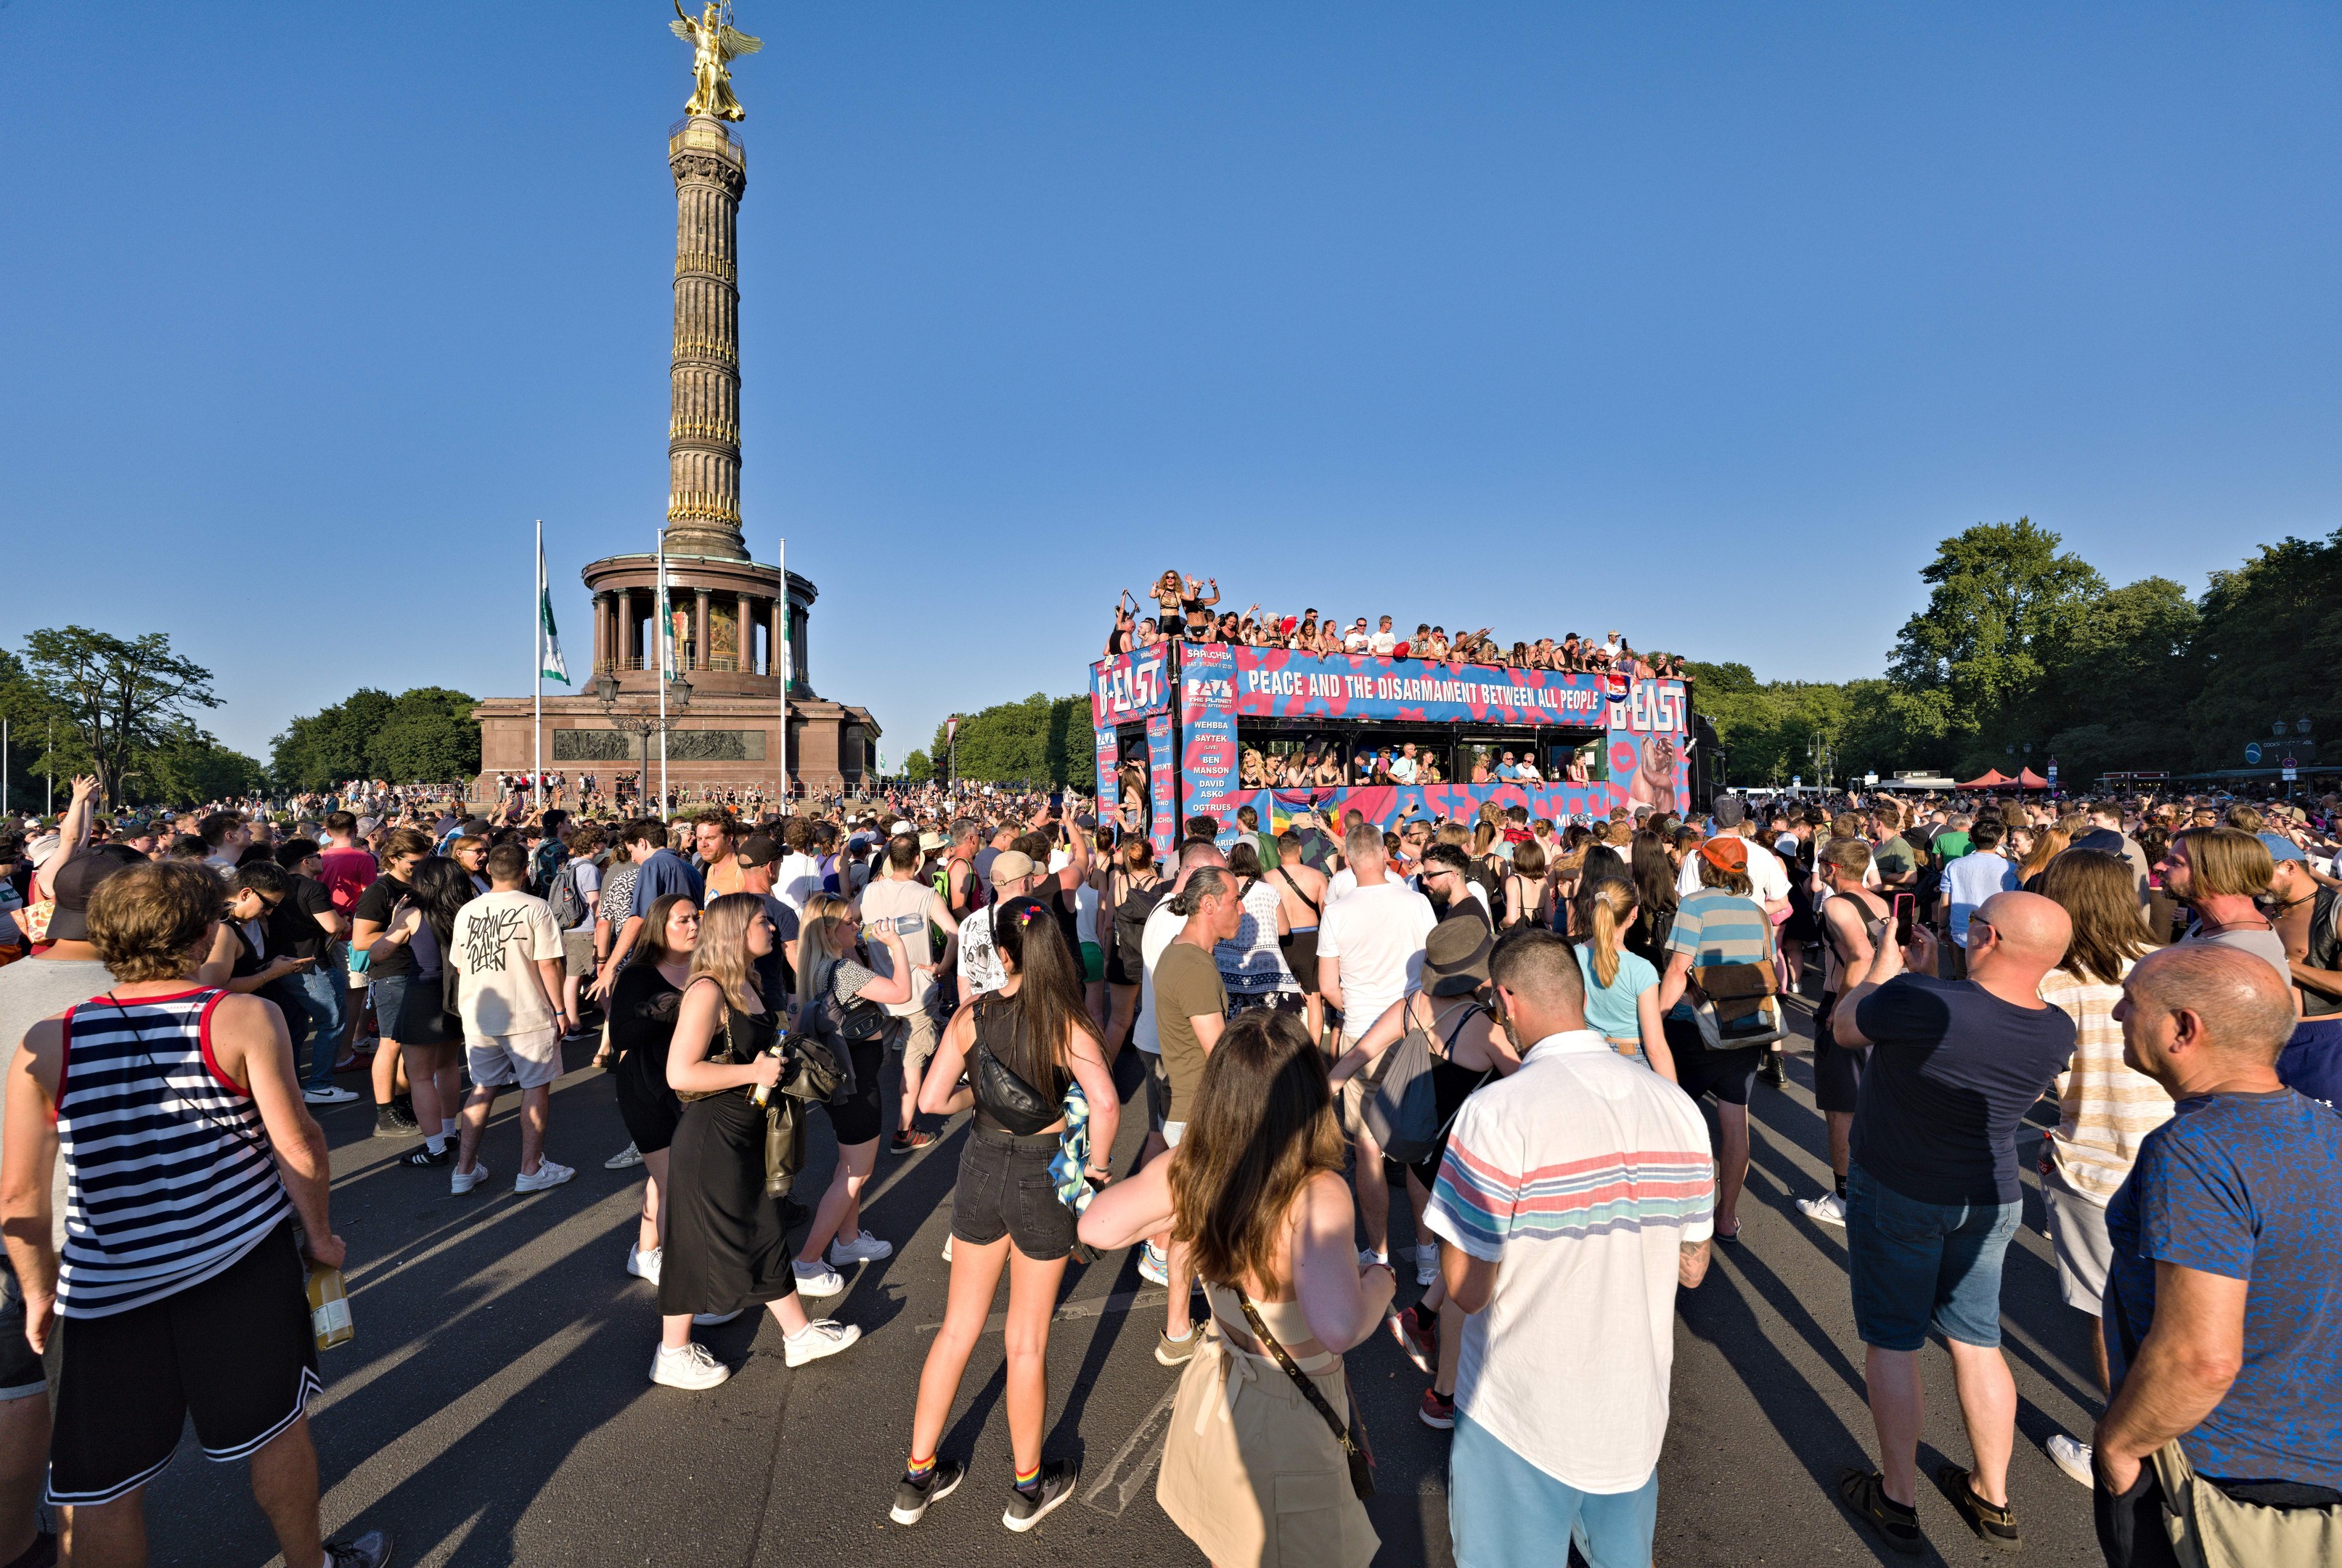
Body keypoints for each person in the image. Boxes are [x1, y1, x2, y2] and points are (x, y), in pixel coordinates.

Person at [0, 861, 390, 1568]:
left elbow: (20, 1198)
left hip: (108, 1286)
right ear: (201, 931)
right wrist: (321, 1235)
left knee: (102, 1486)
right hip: (236, 1266)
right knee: (276, 1432)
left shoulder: (50, 1041)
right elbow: (297, 1143)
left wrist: (37, 1289)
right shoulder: (239, 1018)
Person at [1421, 927, 1715, 1568]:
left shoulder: (1497, 1114)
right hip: (1633, 1414)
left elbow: (1469, 1290)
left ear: (1507, 999)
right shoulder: (1678, 1109)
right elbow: (1693, 1268)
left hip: (1518, 1415)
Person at [1078, 1010, 1391, 1568]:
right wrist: (1381, 1284)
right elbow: (1340, 1326)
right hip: (1289, 1413)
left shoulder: (1194, 1168)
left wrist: (1178, 1212)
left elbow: (1096, 1227)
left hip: (1222, 1389)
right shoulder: (1316, 1192)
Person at [1828, 891, 2079, 1555]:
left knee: (1894, 1340)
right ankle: (1992, 1496)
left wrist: (1886, 960)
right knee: (1976, 1339)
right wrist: (1931, 980)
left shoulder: (1920, 1000)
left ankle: (1898, 1497)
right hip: (1992, 1195)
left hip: (1900, 1191)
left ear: (1989, 937)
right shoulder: (2057, 1028)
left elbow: (1846, 1025)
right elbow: (1974, 1024)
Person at [2092, 945, 2342, 1567]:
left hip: (2219, 1476)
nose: (2120, 1012)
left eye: (2133, 1001)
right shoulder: (2326, 1128)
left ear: (2184, 1028)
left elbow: (2200, 1358)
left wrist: (2120, 1447)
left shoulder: (2195, 1150)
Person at [890, 897, 1117, 1533]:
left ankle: (916, 1476)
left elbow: (933, 1100)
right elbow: (1104, 1102)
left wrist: (981, 1094)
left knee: (957, 1331)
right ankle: (1025, 1487)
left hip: (981, 1166)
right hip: (1044, 1172)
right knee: (1026, 1341)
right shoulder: (1064, 1023)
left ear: (1001, 952)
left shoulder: (973, 1013)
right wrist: (1096, 1167)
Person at [0, 844, 145, 1568]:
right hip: (96, 1245)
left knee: (15, 1387)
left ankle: (14, 1541)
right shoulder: (145, 1001)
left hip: (13, 1232)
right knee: (99, 1454)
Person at [652, 894, 861, 1389]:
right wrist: (755, 1069)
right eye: (763, 921)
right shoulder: (708, 991)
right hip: (713, 1136)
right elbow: (679, 1072)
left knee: (764, 1228)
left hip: (747, 1130)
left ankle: (798, 1334)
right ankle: (672, 1350)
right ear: (735, 930)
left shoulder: (746, 980)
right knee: (700, 1241)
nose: (773, 928)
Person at [1329, 918, 1518, 1422]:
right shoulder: (1486, 1028)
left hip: (1422, 1158)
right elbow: (1529, 1087)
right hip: (1464, 1167)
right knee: (1469, 1272)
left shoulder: (1412, 1004)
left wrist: (1324, 1089)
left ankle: (1422, 1315)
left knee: (1466, 1260)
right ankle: (1444, 1394)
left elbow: (1359, 1053)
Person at [2031, 850, 2171, 1485]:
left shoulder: (2055, 985)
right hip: (2181, 1159)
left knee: (2110, 1315)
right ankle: (2177, 1442)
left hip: (2094, 1164)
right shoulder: (2170, 967)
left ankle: (2122, 1451)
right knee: (2182, 1315)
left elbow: (2040, 1080)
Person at [1315, 822, 1437, 1268]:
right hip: (1415, 1033)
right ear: (1386, 856)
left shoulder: (1339, 911)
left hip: (1362, 1036)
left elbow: (1328, 987)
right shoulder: (1418, 903)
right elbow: (1433, 970)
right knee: (1417, 1145)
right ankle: (1427, 1256)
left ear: (1348, 861)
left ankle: (1380, 1254)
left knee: (1367, 1145)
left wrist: (1361, 1005)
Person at [787, 893, 915, 1297]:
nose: (855, 927)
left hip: (840, 1081)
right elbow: (901, 994)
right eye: (847, 923)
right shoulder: (842, 969)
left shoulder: (817, 966)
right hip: (858, 1083)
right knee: (854, 1172)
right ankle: (807, 1261)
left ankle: (848, 1240)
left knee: (849, 1165)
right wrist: (896, 947)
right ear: (828, 930)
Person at [1653, 836, 1776, 1240]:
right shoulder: (1758, 911)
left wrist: (1657, 1017)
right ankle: (1726, 1216)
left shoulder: (1694, 905)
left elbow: (1677, 970)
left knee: (1677, 1122)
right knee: (1735, 1123)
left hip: (1696, 1027)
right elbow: (1767, 966)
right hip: (1747, 1026)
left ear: (1706, 866)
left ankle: (1682, 1213)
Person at [445, 842, 576, 1195]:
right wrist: (561, 1009)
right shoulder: (536, 907)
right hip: (527, 1013)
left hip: (478, 1014)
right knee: (534, 1088)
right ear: (525, 872)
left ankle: (464, 1169)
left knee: (482, 1088)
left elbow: (460, 963)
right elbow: (548, 963)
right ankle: (530, 1169)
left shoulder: (468, 910)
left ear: (489, 870)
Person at [1797, 836, 1892, 1226]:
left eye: (1820, 861)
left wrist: (1841, 1007)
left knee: (1840, 1108)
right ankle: (1872, 1188)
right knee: (1871, 1101)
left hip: (1850, 1005)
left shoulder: (1836, 904)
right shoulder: (1878, 902)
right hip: (1882, 1005)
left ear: (1832, 868)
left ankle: (1844, 1198)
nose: (1817, 866)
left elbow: (1863, 954)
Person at [609, 895, 699, 1289]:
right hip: (645, 1087)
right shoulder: (639, 974)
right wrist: (666, 1012)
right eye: (684, 920)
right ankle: (686, 1280)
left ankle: (645, 1253)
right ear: (661, 927)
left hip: (692, 1087)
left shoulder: (705, 967)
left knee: (665, 1174)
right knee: (674, 1183)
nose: (694, 925)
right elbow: (622, 1035)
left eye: (697, 918)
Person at [368, 857, 475, 1167]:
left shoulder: (414, 914)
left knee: (420, 1076)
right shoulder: (467, 911)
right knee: (448, 1067)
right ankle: (447, 1131)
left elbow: (377, 953)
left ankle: (435, 1148)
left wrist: (393, 922)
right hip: (457, 994)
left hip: (422, 996)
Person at [860, 833, 959, 1155]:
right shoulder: (926, 894)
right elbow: (953, 932)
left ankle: (862, 1127)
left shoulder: (870, 891)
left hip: (881, 991)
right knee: (912, 1066)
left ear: (889, 859)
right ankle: (903, 1131)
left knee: (872, 1065)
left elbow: (850, 923)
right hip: (918, 992)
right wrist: (942, 966)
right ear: (918, 860)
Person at [348, 826, 433, 1138]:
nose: (419, 867)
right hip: (393, 974)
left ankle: (402, 1102)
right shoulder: (380, 891)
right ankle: (385, 1114)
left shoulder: (421, 885)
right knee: (390, 1043)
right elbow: (360, 941)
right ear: (394, 859)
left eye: (424, 860)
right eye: (413, 862)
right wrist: (399, 929)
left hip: (419, 971)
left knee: (410, 1044)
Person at [1567, 872, 1673, 1079]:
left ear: (1591, 908)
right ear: (1634, 913)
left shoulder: (1572, 957)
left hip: (1587, 1057)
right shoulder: (1642, 969)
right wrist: (1676, 1098)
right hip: (1633, 1060)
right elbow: (1655, 1048)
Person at [2163, 828, 2288, 986]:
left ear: (2218, 874)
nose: (2159, 866)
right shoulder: (2210, 922)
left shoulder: (2243, 958)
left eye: (2176, 862)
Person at [1268, 831, 1329, 1046]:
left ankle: (1278, 1047)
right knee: (1314, 1000)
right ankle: (1313, 1050)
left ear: (1278, 852)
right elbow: (1327, 915)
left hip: (1280, 942)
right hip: (1310, 940)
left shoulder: (1267, 879)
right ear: (1300, 849)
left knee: (1276, 1000)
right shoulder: (1317, 876)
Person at [1941, 818, 2018, 979]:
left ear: (1972, 838)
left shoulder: (1954, 865)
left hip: (1964, 932)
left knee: (1964, 977)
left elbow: (1945, 902)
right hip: (1998, 933)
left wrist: (1942, 926)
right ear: (1999, 840)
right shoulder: (2011, 869)